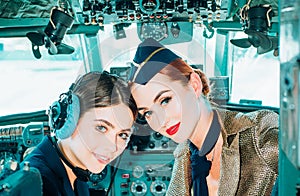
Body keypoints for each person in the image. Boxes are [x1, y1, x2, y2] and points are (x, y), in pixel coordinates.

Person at [128, 38, 278, 196]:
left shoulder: (259, 135)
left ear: (194, 85)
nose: (160, 121)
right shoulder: (184, 155)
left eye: (165, 100)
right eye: (148, 113)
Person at [22, 71, 138, 195]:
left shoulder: (77, 172)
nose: (112, 147)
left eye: (122, 135)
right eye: (101, 128)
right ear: (69, 120)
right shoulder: (38, 186)